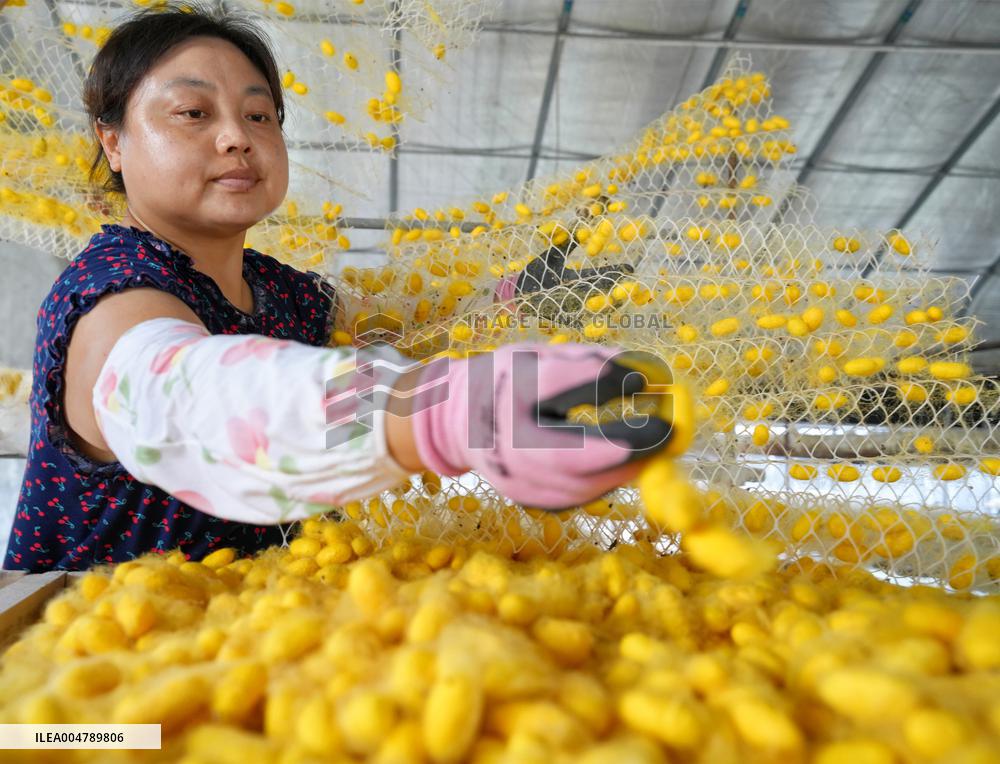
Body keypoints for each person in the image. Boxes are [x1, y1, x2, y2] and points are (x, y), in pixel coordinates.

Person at [5, 3, 673, 572]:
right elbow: (205, 402)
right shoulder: (112, 291)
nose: (237, 138)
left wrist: (518, 299)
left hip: (242, 661)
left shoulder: (286, 294)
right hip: (89, 694)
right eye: (192, 113)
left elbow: (405, 327)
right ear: (113, 141)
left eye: (260, 116)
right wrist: (443, 411)